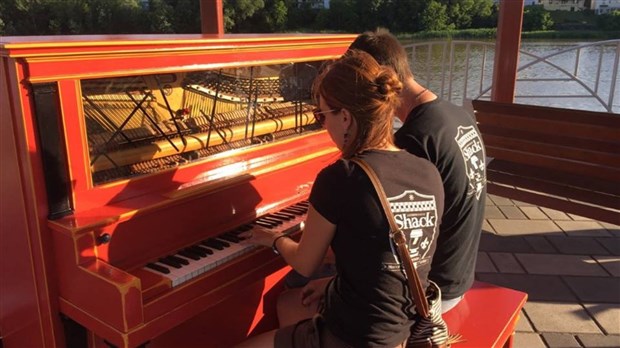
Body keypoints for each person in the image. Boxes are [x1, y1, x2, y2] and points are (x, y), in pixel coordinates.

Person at [236, 50, 445, 348]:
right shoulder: (428, 171)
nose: (323, 125)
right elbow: (384, 257)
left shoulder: (342, 177)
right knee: (289, 303)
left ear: (345, 117)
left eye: (321, 115)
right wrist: (334, 285)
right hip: (404, 332)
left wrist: (274, 238)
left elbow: (306, 263)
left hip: (354, 338)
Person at [349, 28, 487, 313]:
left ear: (384, 75)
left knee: (302, 291)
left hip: (432, 292)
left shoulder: (416, 138)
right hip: (459, 275)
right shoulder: (454, 114)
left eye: (360, 83)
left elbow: (388, 239)